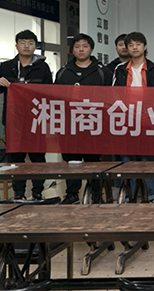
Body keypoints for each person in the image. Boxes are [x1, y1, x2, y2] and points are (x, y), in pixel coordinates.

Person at [0, 29, 53, 201]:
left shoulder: (43, 67)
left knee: (37, 157)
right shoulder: (6, 67)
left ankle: (37, 192)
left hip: (36, 120)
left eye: (30, 43)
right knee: (16, 159)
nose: (26, 46)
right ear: (16, 46)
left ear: (35, 46)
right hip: (13, 120)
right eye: (23, 43)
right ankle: (19, 193)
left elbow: (50, 92)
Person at [54, 33, 111, 204]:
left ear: (91, 49)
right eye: (77, 46)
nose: (81, 49)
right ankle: (72, 194)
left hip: (94, 125)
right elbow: (55, 97)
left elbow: (111, 98)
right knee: (72, 162)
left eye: (85, 46)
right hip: (69, 126)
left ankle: (96, 195)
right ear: (72, 50)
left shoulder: (102, 72)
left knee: (93, 161)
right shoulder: (63, 72)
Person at [112, 31, 154, 203]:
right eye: (131, 45)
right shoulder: (120, 69)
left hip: (147, 118)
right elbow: (115, 93)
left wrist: (145, 111)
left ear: (145, 46)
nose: (134, 48)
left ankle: (150, 194)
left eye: (138, 44)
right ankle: (129, 194)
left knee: (147, 158)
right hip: (126, 119)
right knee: (127, 158)